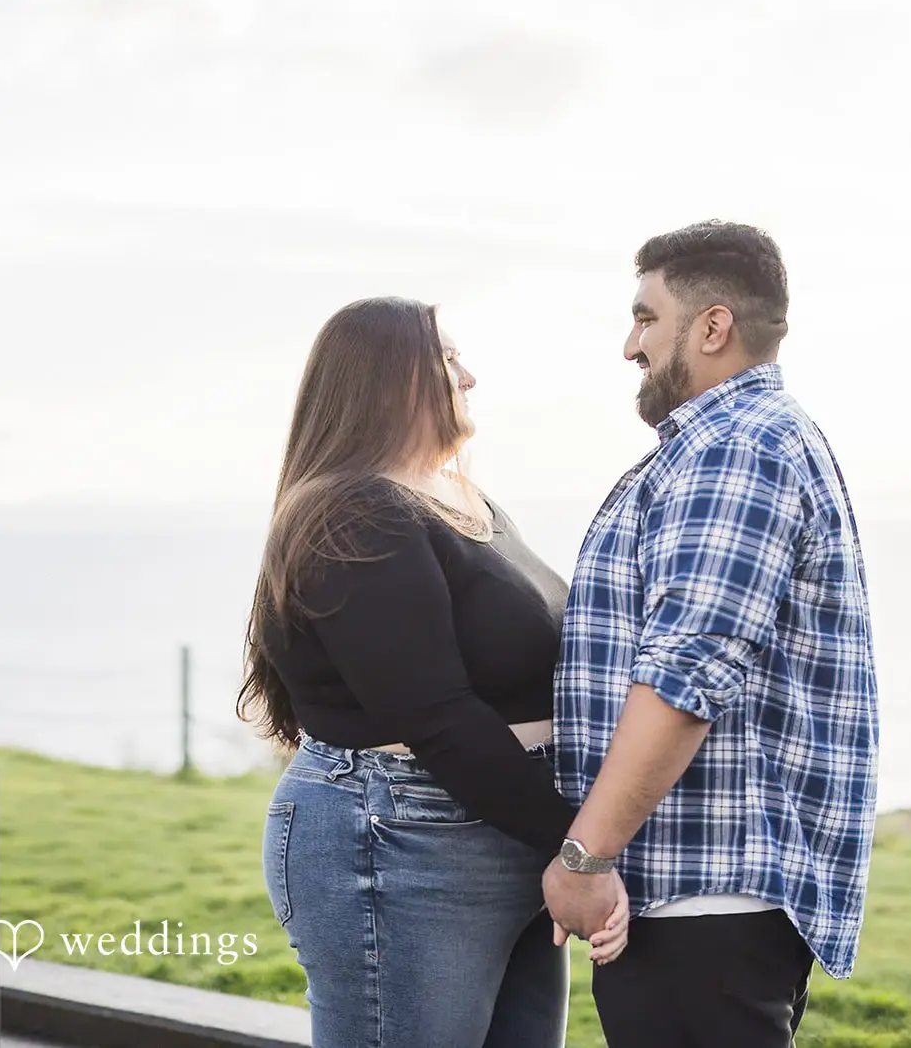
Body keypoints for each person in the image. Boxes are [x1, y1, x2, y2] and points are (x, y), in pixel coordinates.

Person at [239, 296, 627, 1048]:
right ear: (387, 378)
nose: (470, 378)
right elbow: (436, 714)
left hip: (505, 823)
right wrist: (577, 846)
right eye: (448, 360)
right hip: (403, 840)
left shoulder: (462, 498)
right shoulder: (355, 511)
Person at [542, 221, 881, 1047]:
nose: (631, 345)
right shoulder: (724, 445)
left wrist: (583, 857)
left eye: (645, 318)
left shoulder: (738, 449)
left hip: (705, 900)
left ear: (712, 326)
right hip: (692, 899)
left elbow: (687, 675)